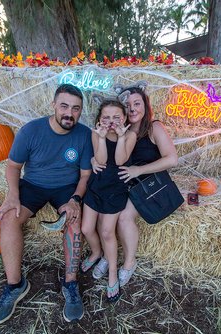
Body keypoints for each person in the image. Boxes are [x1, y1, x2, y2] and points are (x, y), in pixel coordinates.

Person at [0, 83, 93, 325]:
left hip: (66, 187)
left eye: (76, 108)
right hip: (33, 185)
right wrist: (13, 195)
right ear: (53, 105)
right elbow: (13, 166)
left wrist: (75, 200)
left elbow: (86, 175)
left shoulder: (84, 135)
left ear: (80, 111)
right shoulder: (31, 131)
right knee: (8, 218)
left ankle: (70, 283)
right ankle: (15, 285)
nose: (69, 113)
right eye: (64, 106)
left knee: (74, 221)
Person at [91, 83, 178, 287]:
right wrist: (93, 161)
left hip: (145, 184)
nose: (132, 109)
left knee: (123, 217)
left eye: (137, 103)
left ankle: (129, 263)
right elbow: (103, 151)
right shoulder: (118, 129)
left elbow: (172, 159)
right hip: (122, 182)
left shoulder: (154, 127)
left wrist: (138, 170)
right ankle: (106, 256)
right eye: (128, 105)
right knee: (102, 213)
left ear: (145, 105)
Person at [80, 98, 137, 302]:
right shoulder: (96, 134)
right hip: (96, 186)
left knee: (106, 231)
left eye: (116, 117)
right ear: (99, 119)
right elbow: (102, 161)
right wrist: (102, 139)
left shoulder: (130, 135)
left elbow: (120, 160)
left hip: (115, 189)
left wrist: (120, 138)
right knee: (87, 228)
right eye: (106, 117)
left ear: (124, 118)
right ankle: (97, 254)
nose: (111, 121)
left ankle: (112, 272)